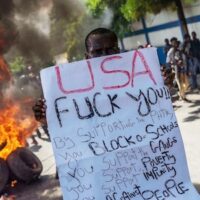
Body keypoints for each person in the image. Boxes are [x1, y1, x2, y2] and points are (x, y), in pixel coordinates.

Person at [33, 28, 120, 123]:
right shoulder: (73, 88)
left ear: (118, 51)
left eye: (110, 49)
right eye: (97, 51)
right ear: (87, 57)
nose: (104, 55)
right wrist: (47, 117)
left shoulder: (137, 78)